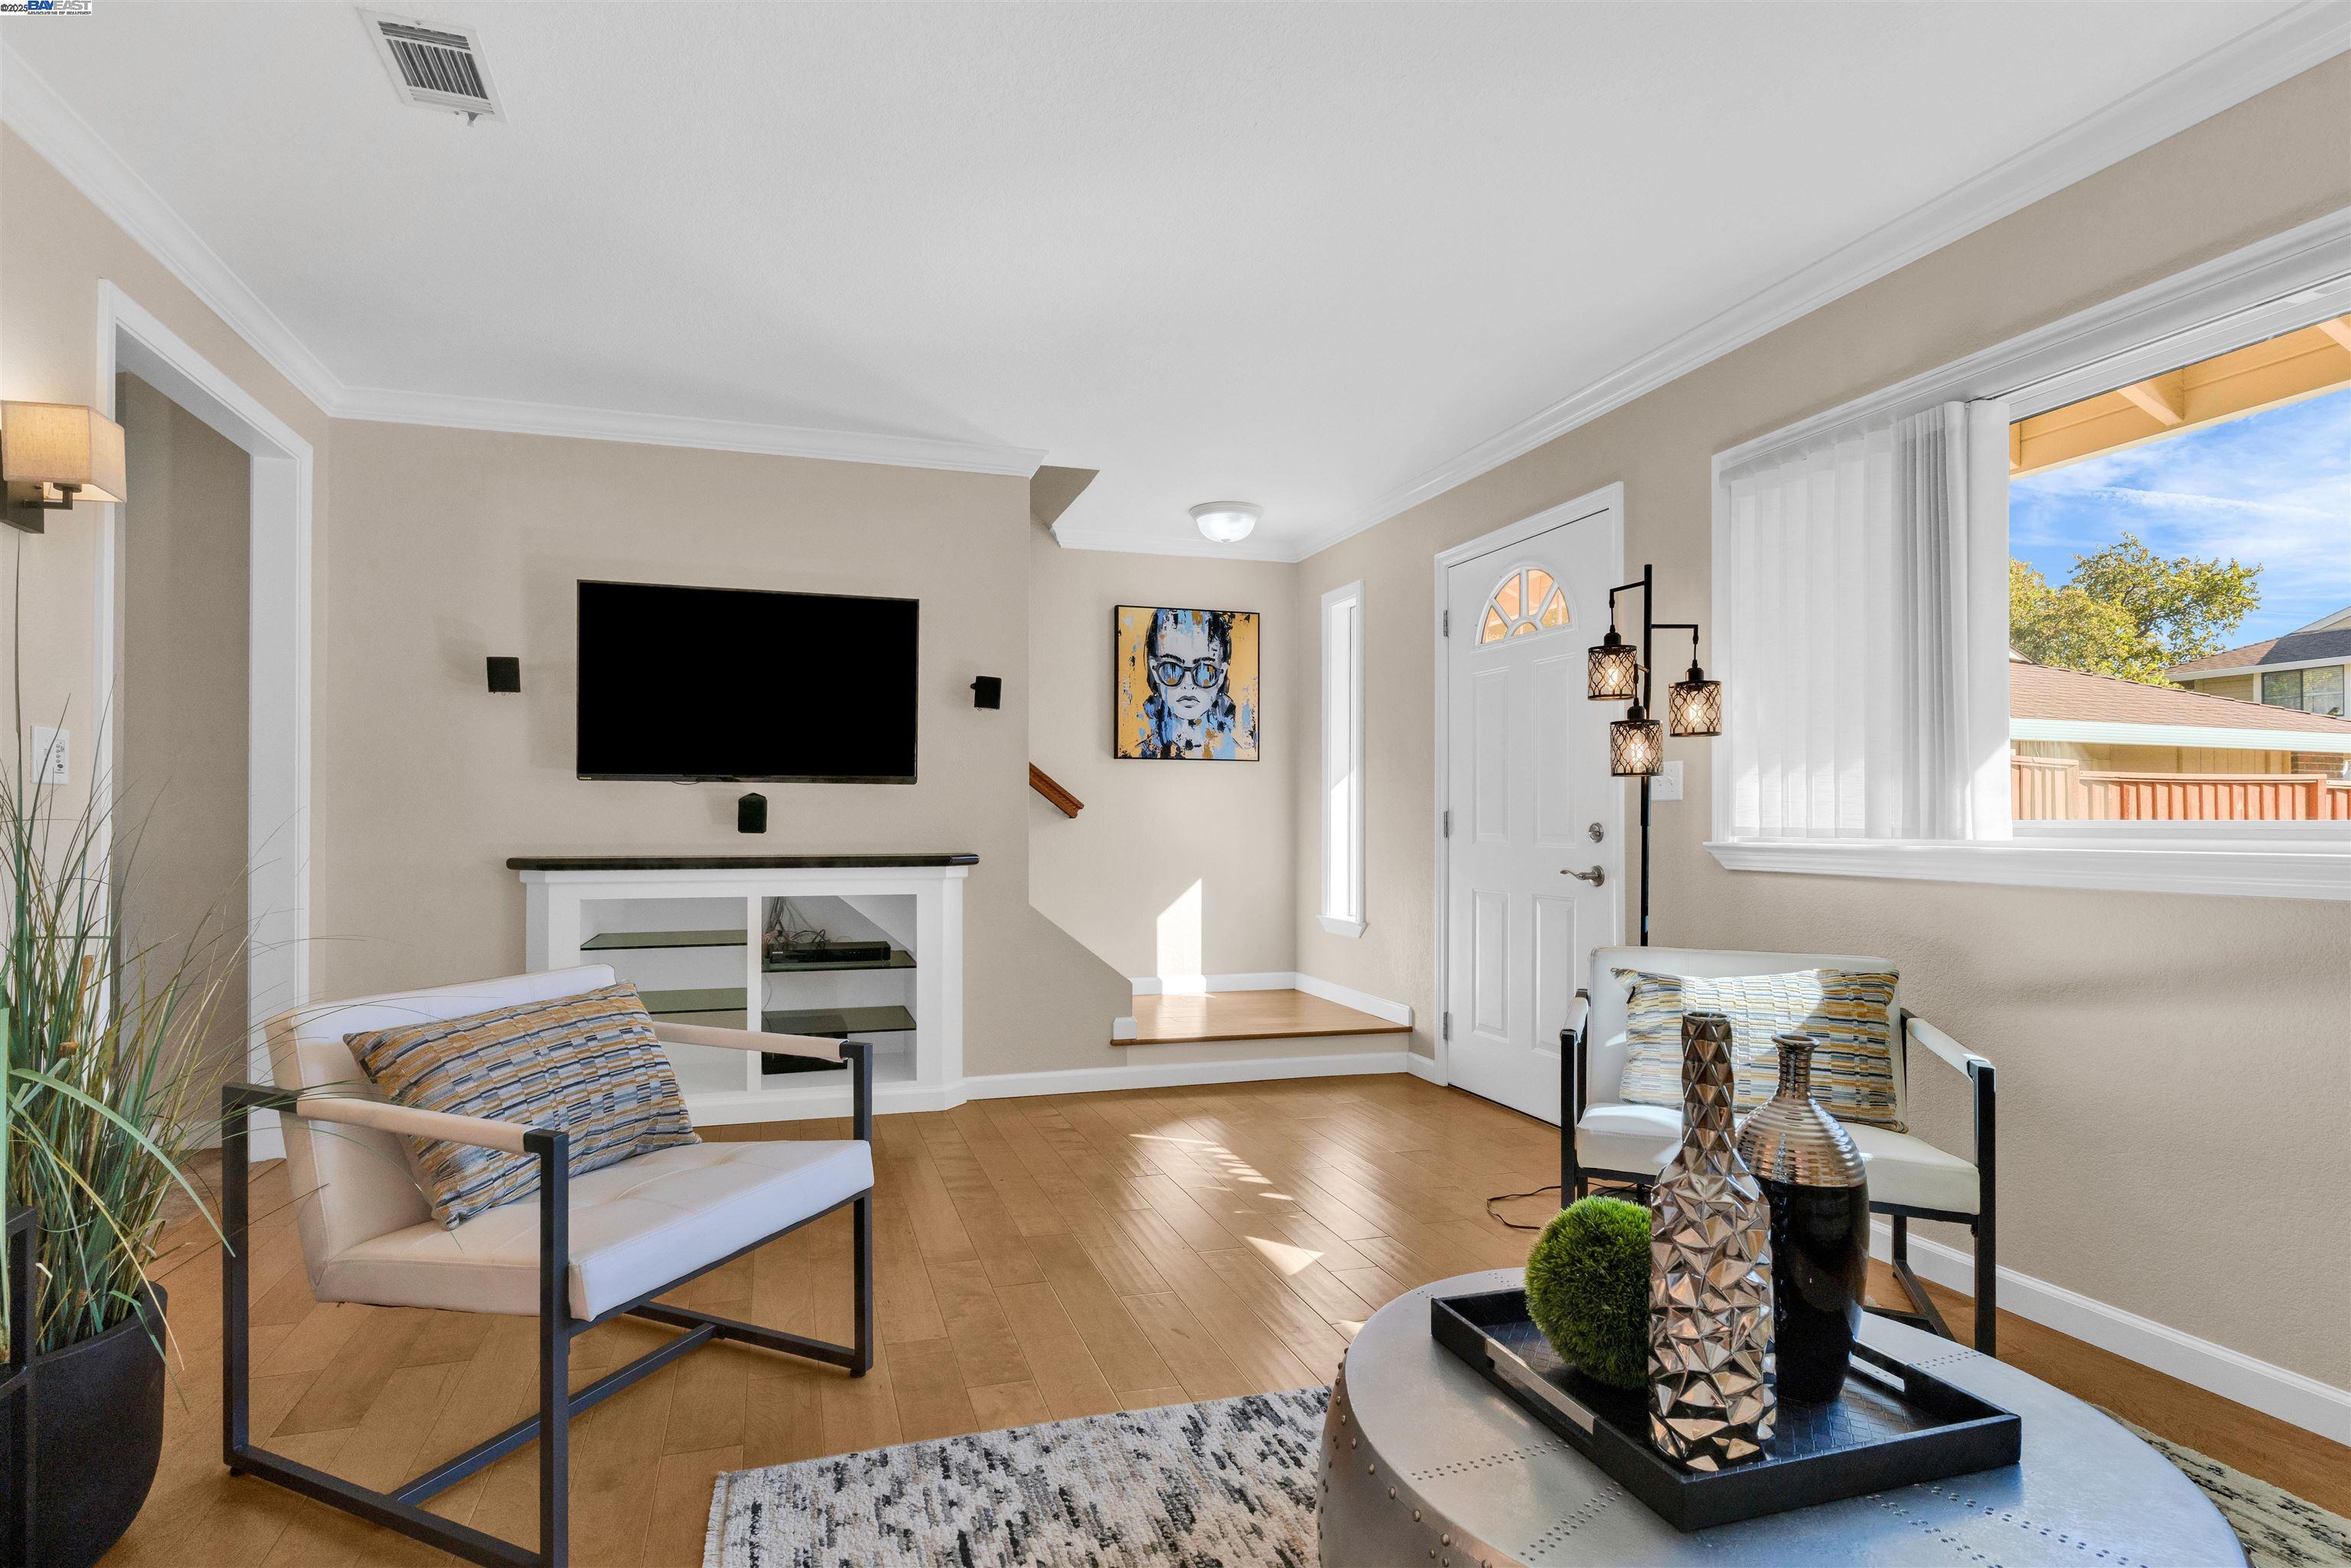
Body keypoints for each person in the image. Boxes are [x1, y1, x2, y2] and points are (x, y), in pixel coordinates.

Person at [1136, 608, 1247, 758]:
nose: (1188, 684)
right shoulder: (1139, 754)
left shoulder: (1238, 754)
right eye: (1172, 669)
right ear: (1155, 670)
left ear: (1221, 674)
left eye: (1205, 671)